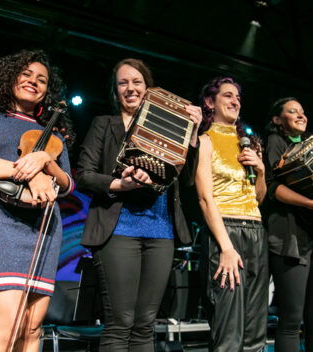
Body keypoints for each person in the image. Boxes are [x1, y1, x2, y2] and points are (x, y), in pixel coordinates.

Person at [75, 58, 201, 351]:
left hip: (161, 230)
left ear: (149, 89)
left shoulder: (171, 126)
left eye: (137, 82)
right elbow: (84, 176)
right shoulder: (104, 124)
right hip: (118, 228)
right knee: (121, 322)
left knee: (146, 325)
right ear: (115, 90)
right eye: (123, 83)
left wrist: (192, 133)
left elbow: (189, 179)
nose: (130, 89)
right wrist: (121, 184)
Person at [0, 50, 74, 352]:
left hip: (44, 226)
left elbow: (67, 184)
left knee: (32, 329)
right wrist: (27, 172)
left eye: (42, 80)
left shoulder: (54, 136)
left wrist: (46, 162)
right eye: (26, 74)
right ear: (9, 76)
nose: (33, 82)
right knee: (8, 325)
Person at [262, 93, 313, 351]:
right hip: (290, 235)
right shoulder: (275, 141)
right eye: (292, 111)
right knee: (291, 319)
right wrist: (312, 204)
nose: (300, 115)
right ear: (277, 119)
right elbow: (271, 188)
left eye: (302, 110)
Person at [195, 77, 267, 351]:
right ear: (210, 102)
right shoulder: (205, 141)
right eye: (228, 95)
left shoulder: (247, 143)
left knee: (255, 331)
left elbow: (258, 198)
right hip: (225, 230)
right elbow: (204, 198)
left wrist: (260, 171)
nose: (235, 101)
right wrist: (226, 247)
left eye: (238, 97)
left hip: (256, 231)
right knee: (229, 330)